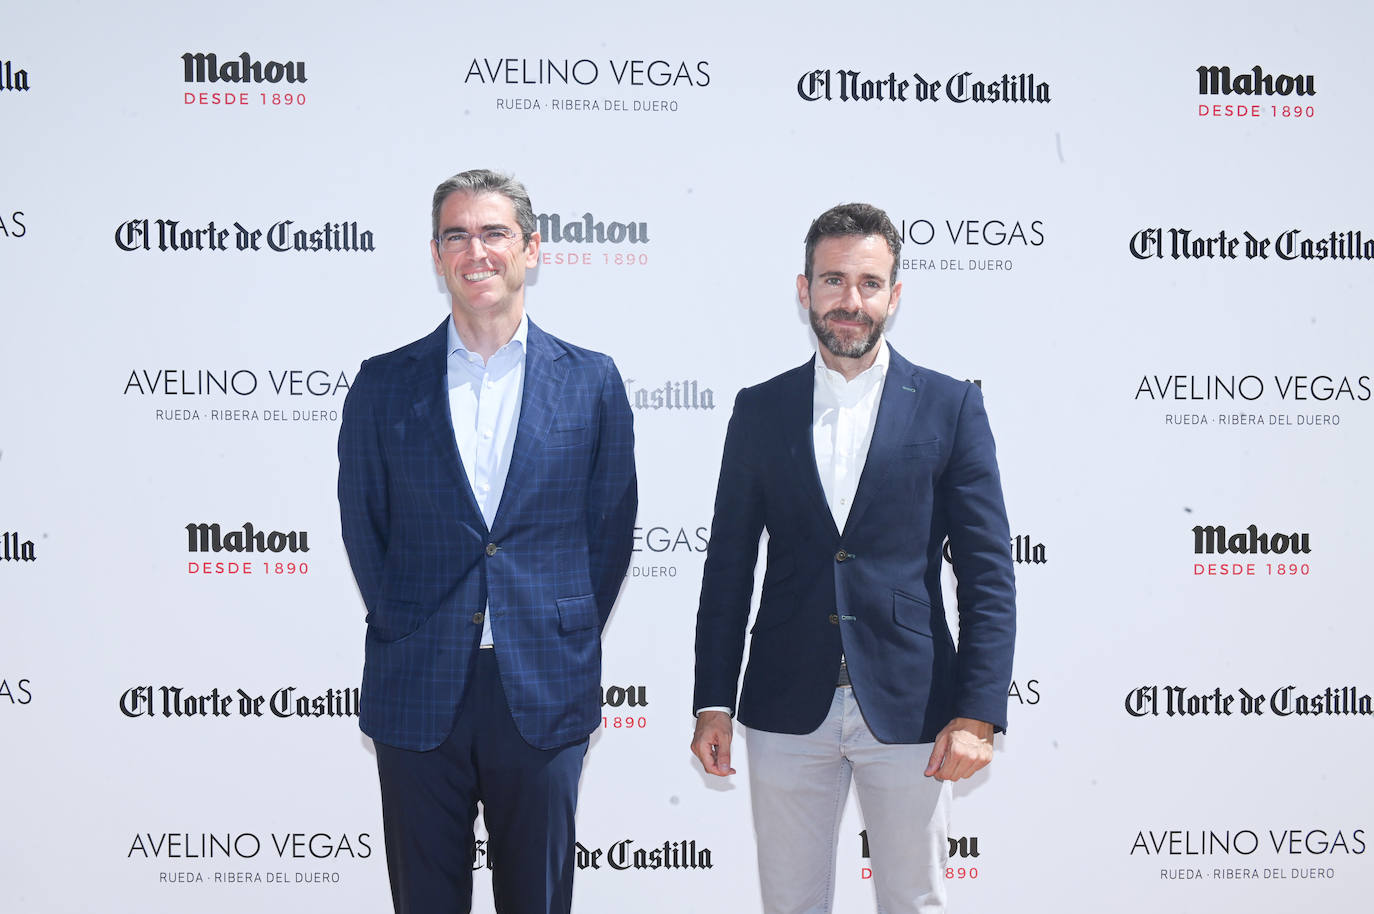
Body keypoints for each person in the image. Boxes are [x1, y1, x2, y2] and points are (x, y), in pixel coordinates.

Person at [691, 202, 1016, 913]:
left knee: (914, 903)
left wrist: (979, 712)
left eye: (869, 283)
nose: (850, 300)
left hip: (914, 702)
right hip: (783, 701)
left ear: (894, 297)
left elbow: (989, 573)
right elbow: (728, 565)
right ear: (804, 289)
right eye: (833, 281)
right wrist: (714, 699)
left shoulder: (949, 406)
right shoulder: (759, 409)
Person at [338, 168, 637, 914]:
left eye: (495, 232)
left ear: (532, 249)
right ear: (436, 254)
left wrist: (555, 630)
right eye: (457, 235)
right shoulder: (382, 384)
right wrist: (412, 623)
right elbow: (364, 526)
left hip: (541, 684)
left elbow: (609, 532)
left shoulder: (592, 382)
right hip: (418, 685)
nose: (478, 251)